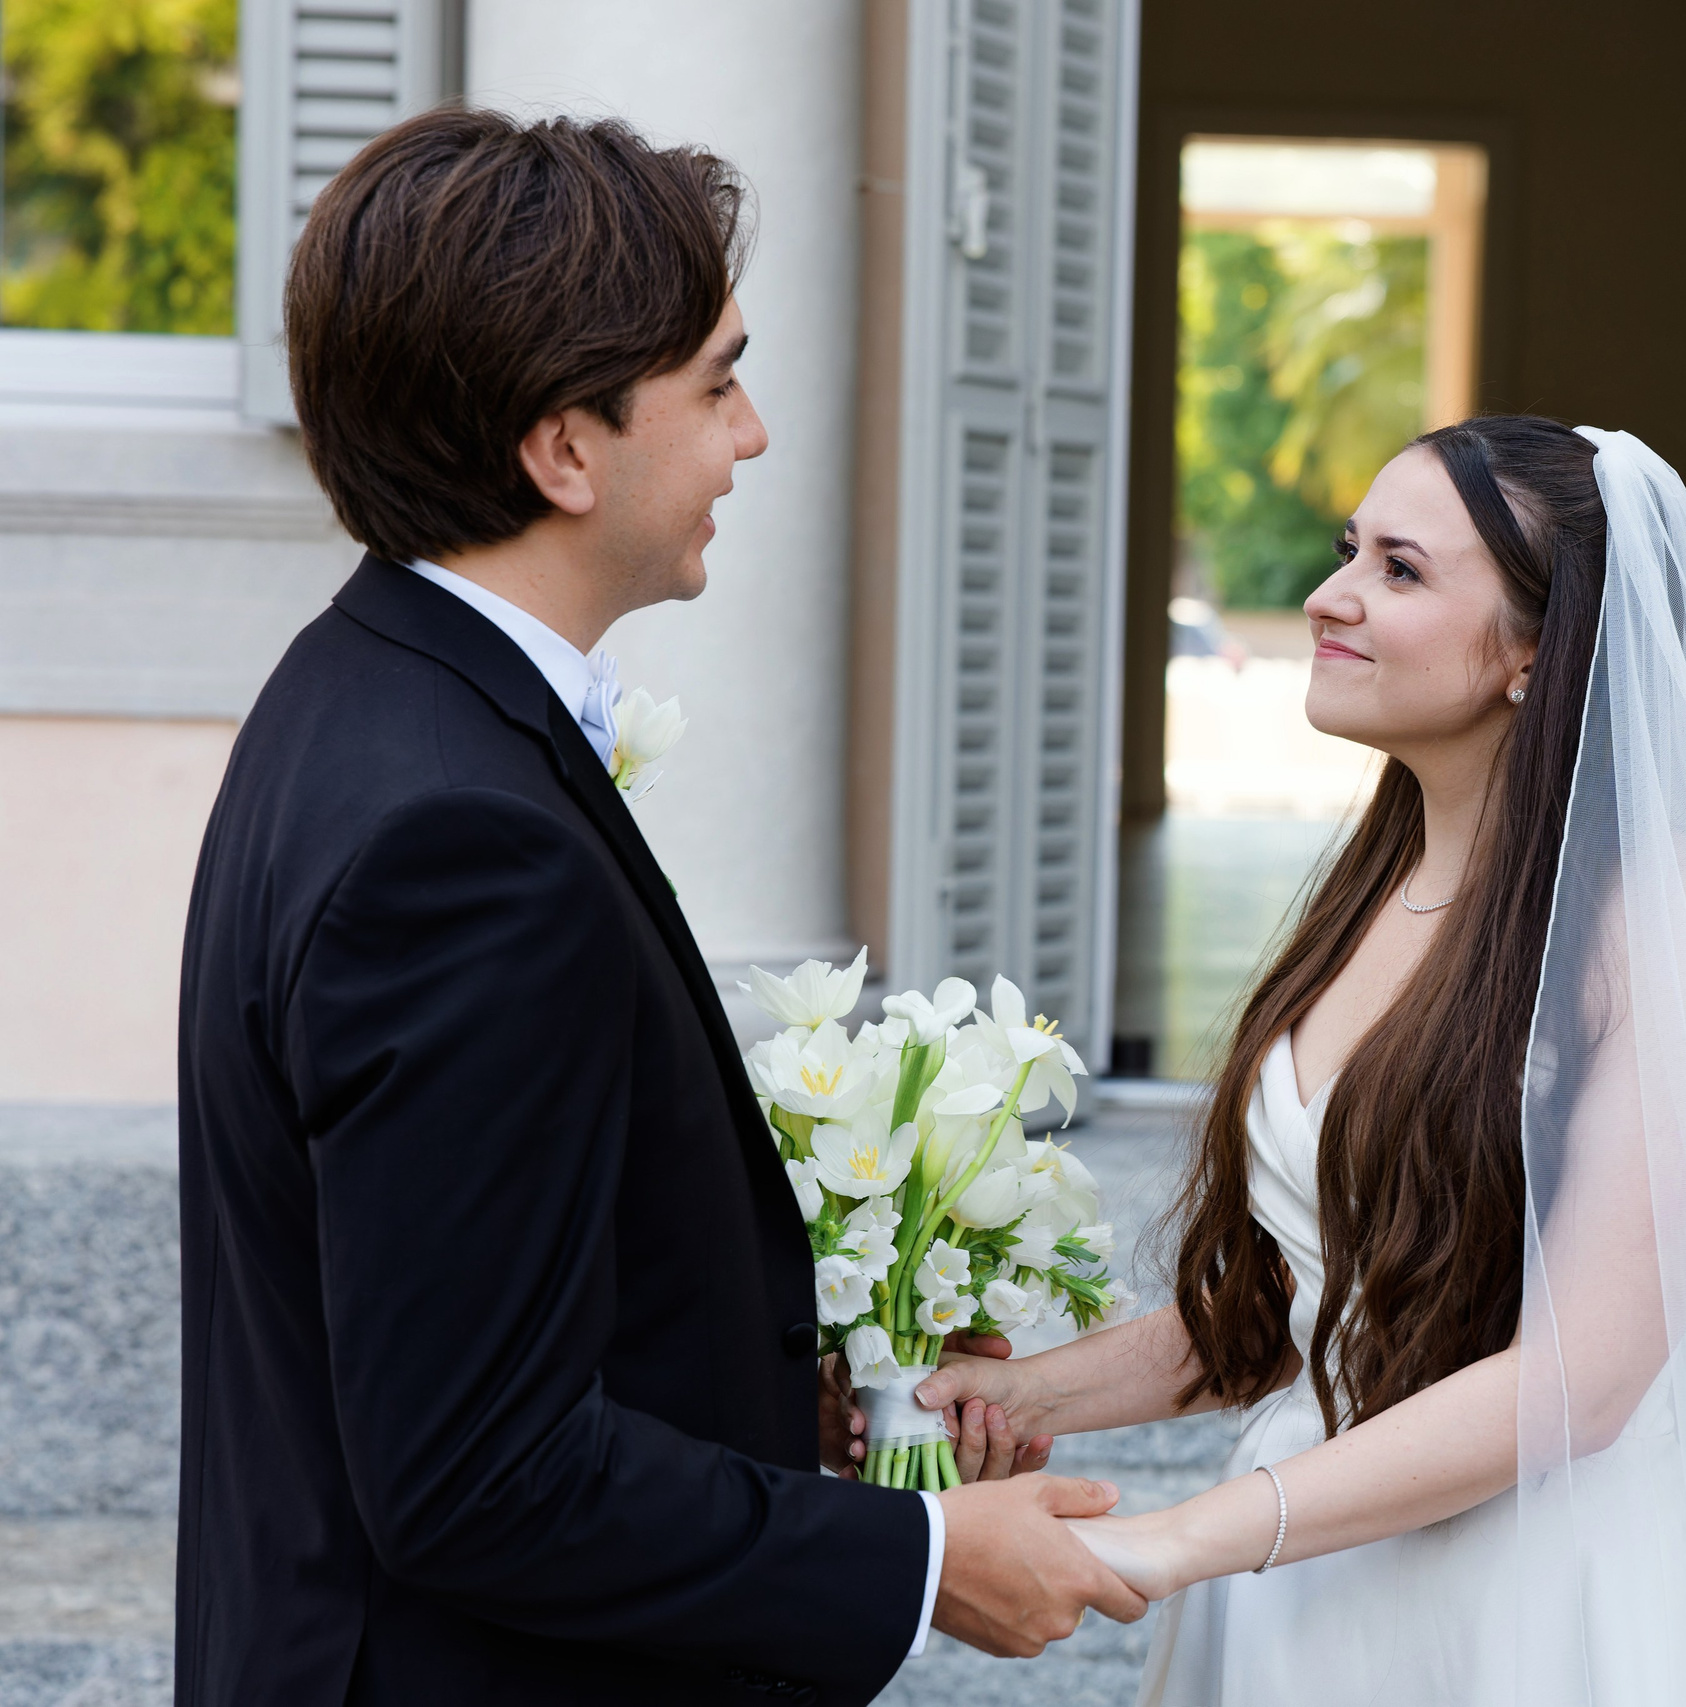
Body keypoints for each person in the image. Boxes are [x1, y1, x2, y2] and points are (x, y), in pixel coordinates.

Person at [175, 106, 1140, 1706]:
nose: (750, 436)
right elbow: (479, 1469)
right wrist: (923, 1561)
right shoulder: (461, 837)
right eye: (716, 383)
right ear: (564, 448)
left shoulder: (360, 691)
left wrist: (760, 1394)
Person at [917, 417, 1686, 1704]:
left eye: (1398, 570)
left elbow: (1579, 1382)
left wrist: (1173, 1542)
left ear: (1535, 649)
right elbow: (1311, 1310)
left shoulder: (1666, 928)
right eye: (1349, 549)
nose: (1326, 596)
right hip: (1305, 1592)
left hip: (1527, 1606)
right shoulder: (1375, 887)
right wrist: (995, 1396)